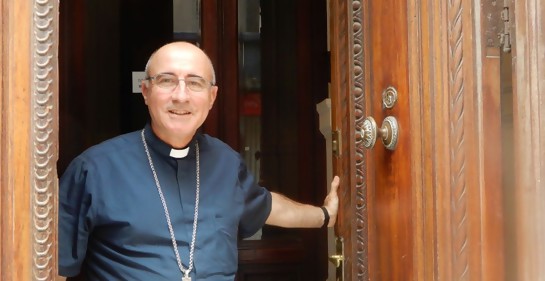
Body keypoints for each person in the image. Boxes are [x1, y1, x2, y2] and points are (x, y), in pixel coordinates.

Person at [58, 41, 340, 281]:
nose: (181, 96)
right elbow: (49, 267)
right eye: (167, 80)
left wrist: (325, 216)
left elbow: (263, 206)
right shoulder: (93, 169)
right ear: (146, 91)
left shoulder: (226, 163)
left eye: (194, 83)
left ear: (212, 97)